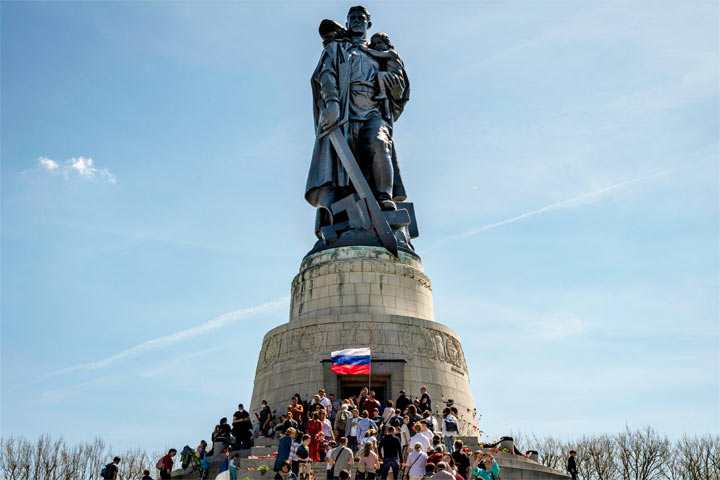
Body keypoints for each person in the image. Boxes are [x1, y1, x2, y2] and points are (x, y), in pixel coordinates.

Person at [307, 5, 411, 240]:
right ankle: (349, 217)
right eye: (352, 18)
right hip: (345, 112)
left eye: (361, 18)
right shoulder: (337, 49)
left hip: (373, 112)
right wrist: (332, 102)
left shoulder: (381, 54)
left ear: (368, 24)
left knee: (379, 142)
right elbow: (325, 75)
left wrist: (387, 80)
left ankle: (384, 198)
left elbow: (400, 87)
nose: (356, 21)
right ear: (347, 22)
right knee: (345, 170)